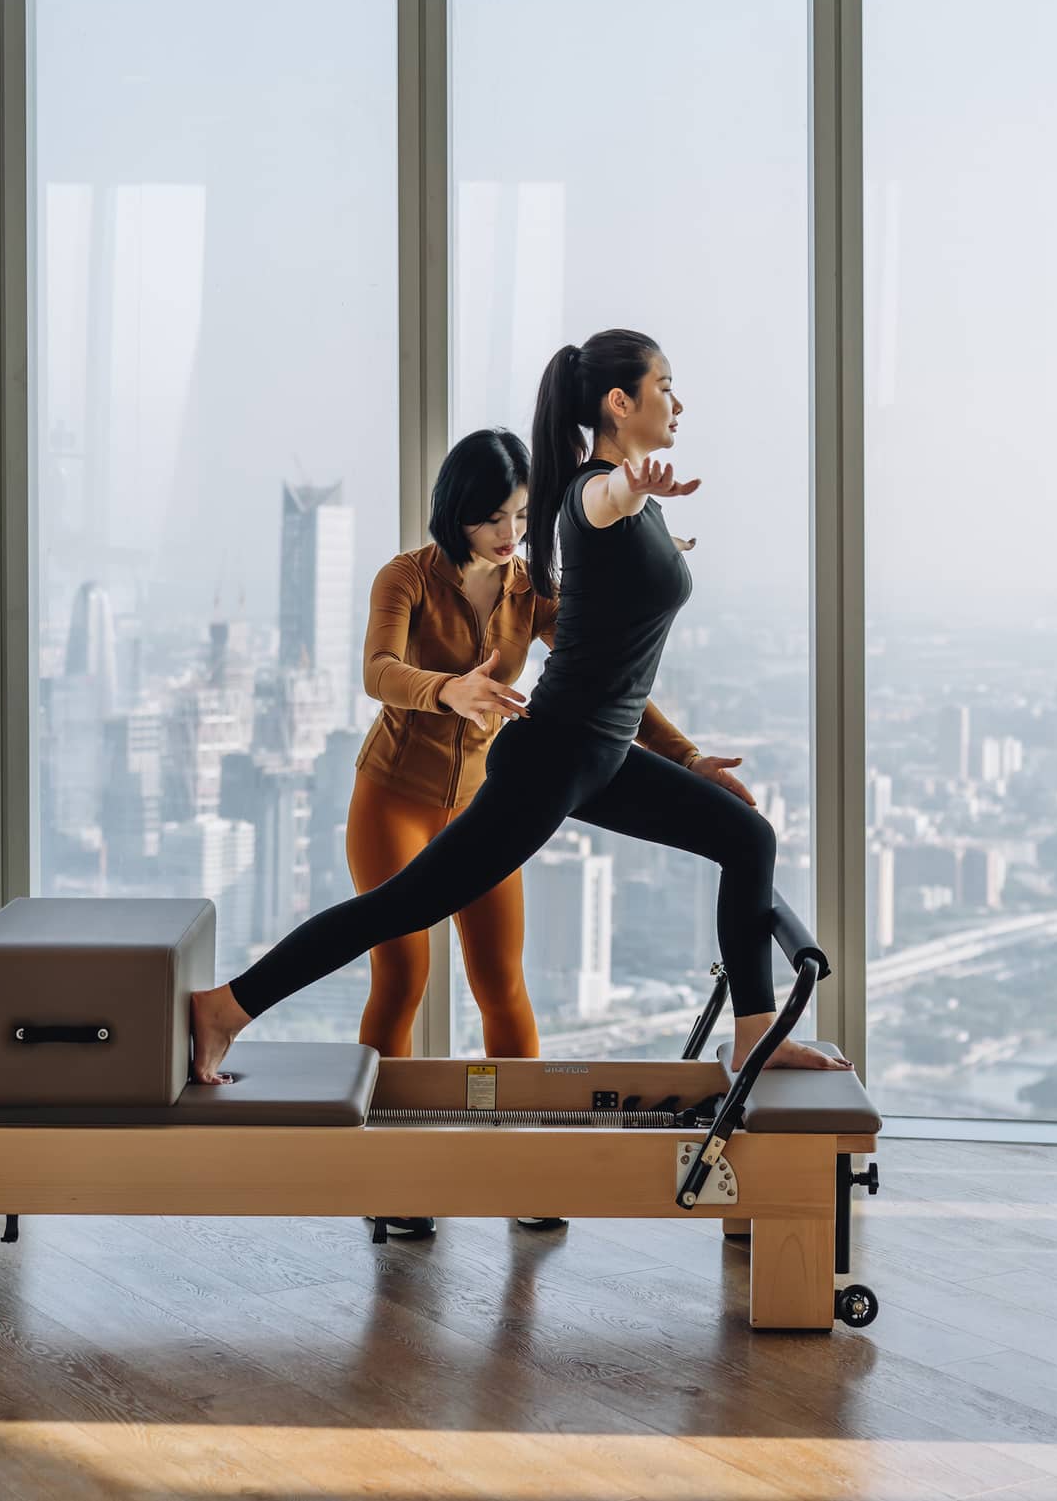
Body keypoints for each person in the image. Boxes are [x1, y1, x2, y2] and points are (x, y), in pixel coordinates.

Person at [192, 327, 853, 1086]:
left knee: (748, 838)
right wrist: (632, 487)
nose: (678, 402)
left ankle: (754, 1037)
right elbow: (598, 500)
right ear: (619, 401)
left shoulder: (588, 540)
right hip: (551, 758)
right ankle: (226, 1008)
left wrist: (689, 757)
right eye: (665, 386)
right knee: (400, 913)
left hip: (601, 756)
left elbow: (611, 664)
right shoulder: (593, 495)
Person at [350, 427, 706, 1063]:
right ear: (455, 510)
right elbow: (378, 671)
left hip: (485, 805)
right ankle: (378, 1119)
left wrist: (686, 756)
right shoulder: (406, 578)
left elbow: (606, 682)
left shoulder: (532, 588)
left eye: (520, 515)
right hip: (393, 799)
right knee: (402, 977)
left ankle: (520, 1118)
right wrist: (448, 689)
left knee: (502, 983)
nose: (510, 532)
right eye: (492, 518)